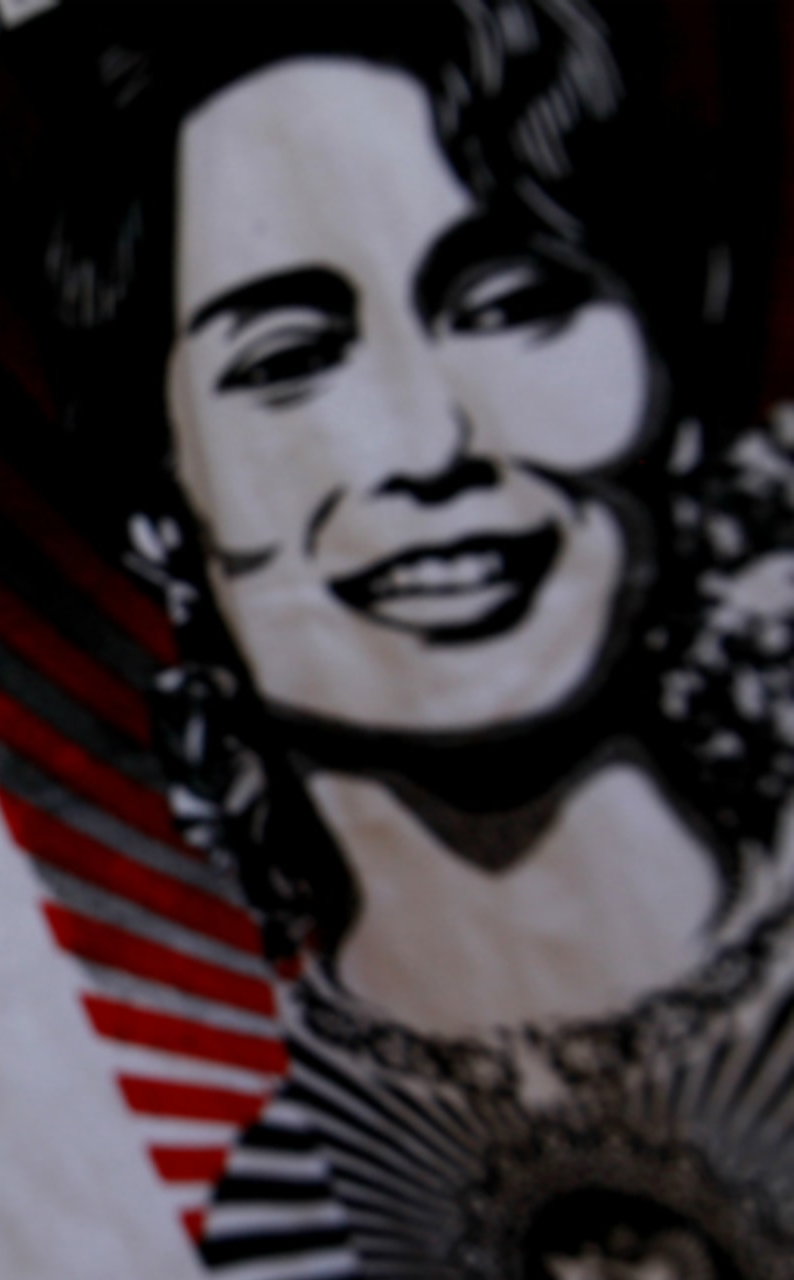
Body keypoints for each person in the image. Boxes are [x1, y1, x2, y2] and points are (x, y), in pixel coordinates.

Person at [46, 0, 793, 1271]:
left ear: (664, 367)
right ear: (160, 497)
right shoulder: (280, 1215)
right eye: (288, 359)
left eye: (510, 303)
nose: (430, 442)